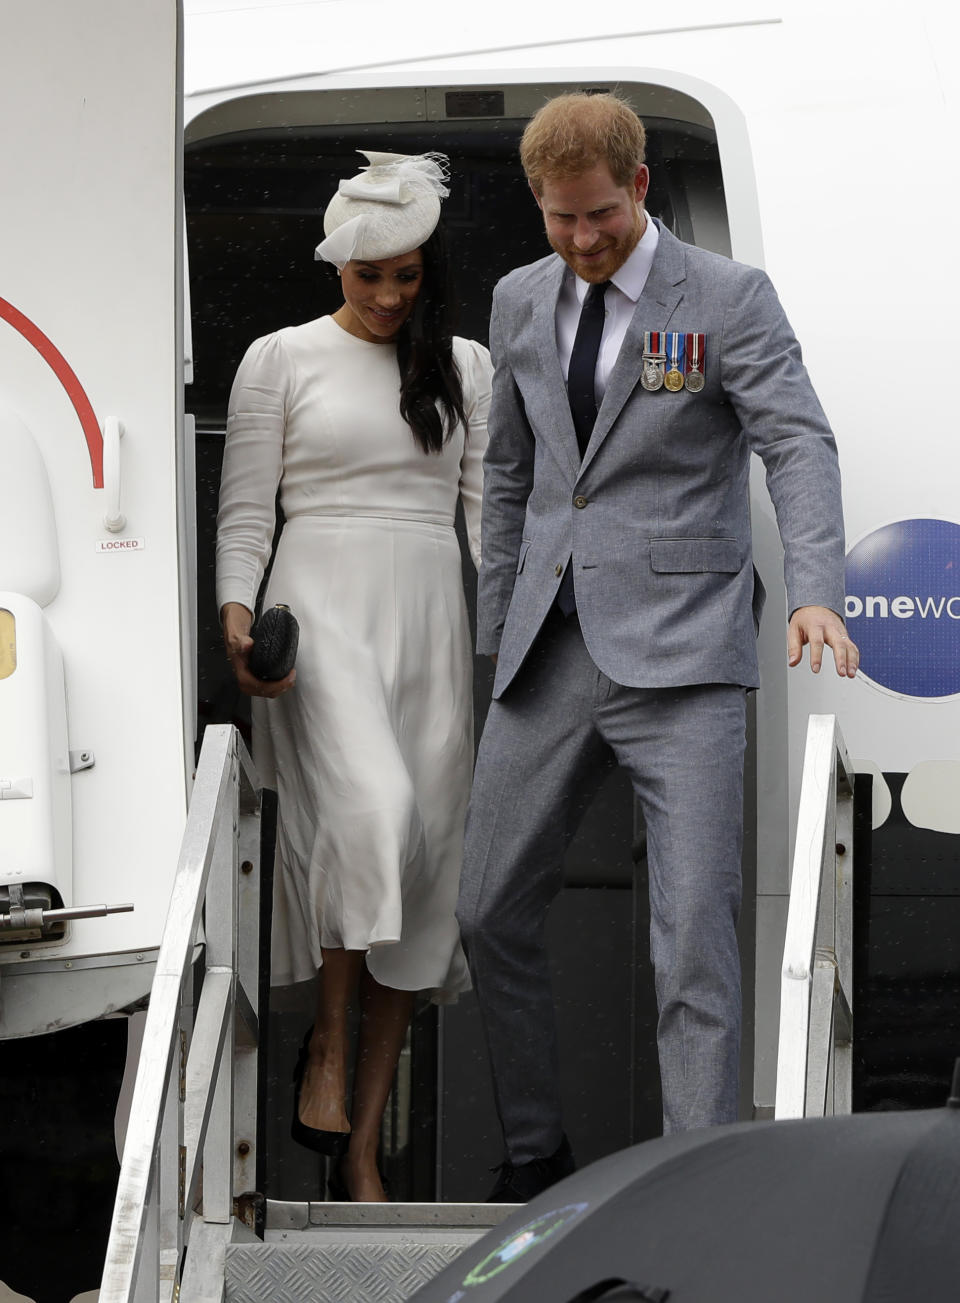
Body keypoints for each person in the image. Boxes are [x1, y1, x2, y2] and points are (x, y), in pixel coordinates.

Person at [456, 93, 860, 1202]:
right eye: (558, 220)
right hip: (550, 651)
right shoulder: (518, 298)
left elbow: (797, 441)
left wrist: (817, 589)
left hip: (684, 661)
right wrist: (500, 634)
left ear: (637, 187)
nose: (581, 242)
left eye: (598, 217)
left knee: (692, 945)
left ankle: (697, 1184)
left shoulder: (728, 297)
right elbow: (507, 476)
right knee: (486, 908)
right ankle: (535, 1148)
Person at [216, 150, 491, 1202]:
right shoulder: (277, 357)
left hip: (427, 618)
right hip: (319, 605)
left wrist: (508, 648)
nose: (386, 297)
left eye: (407, 277)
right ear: (337, 264)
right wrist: (239, 624)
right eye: (368, 275)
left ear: (430, 272)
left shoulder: (464, 367)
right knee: (372, 817)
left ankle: (364, 1151)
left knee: (422, 872)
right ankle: (324, 1043)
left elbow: (487, 520)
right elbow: (248, 508)